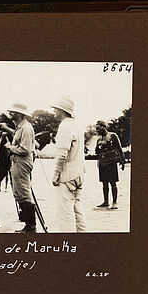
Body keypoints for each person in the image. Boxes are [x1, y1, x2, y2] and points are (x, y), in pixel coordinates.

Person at [50, 96, 87, 232]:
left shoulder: (64, 126)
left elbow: (61, 155)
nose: (54, 111)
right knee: (78, 209)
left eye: (55, 109)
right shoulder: (77, 124)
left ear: (62, 110)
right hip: (79, 174)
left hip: (67, 175)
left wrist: (55, 175)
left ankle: (68, 245)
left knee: (65, 213)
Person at [0, 103, 36, 232]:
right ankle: (26, 222)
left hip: (22, 161)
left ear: (20, 114)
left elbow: (25, 149)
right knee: (18, 193)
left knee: (24, 193)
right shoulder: (20, 127)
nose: (11, 114)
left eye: (13, 112)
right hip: (17, 161)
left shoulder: (25, 128)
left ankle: (31, 226)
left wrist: (10, 147)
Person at [94, 120, 125, 210]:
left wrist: (122, 160)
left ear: (103, 127)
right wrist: (99, 147)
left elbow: (119, 148)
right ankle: (106, 201)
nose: (97, 131)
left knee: (113, 182)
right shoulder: (99, 139)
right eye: (96, 129)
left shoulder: (112, 135)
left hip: (111, 163)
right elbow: (96, 152)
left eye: (98, 128)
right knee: (104, 183)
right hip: (103, 163)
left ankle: (114, 202)